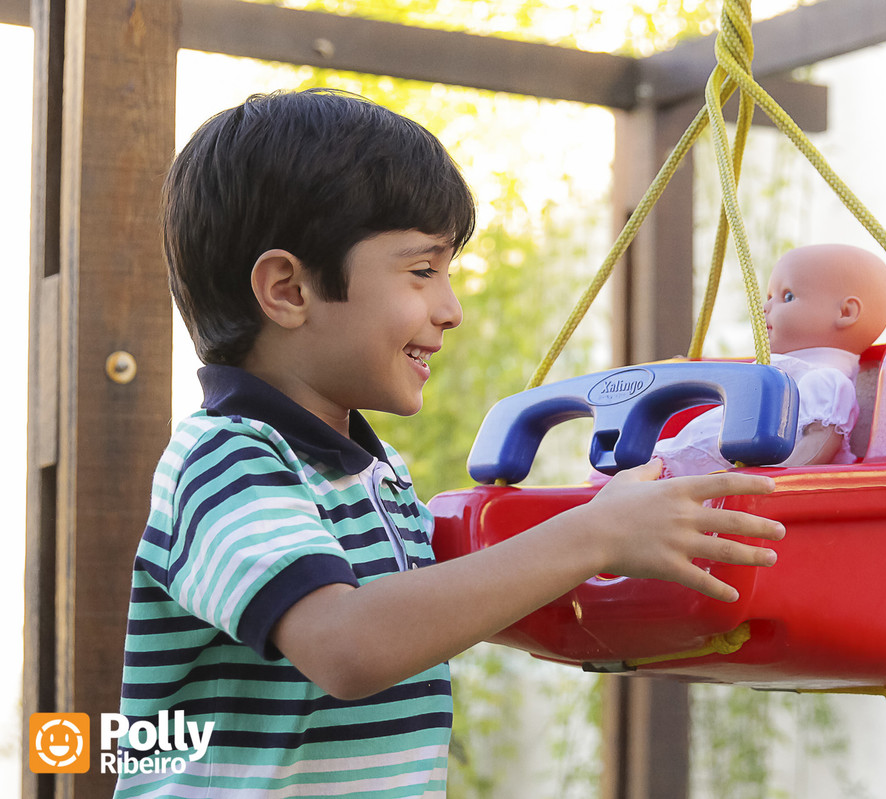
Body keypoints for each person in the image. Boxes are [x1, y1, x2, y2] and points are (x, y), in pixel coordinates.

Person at [112, 88, 783, 798]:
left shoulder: (373, 473)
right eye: (423, 271)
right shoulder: (227, 460)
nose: (452, 308)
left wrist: (631, 558)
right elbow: (348, 646)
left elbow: (452, 607)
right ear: (289, 290)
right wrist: (593, 536)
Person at [652, 244, 886, 477]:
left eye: (787, 296)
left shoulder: (826, 380)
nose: (765, 307)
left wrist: (765, 483)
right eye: (769, 296)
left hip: (693, 477)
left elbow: (819, 441)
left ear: (845, 312)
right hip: (682, 469)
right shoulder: (786, 371)